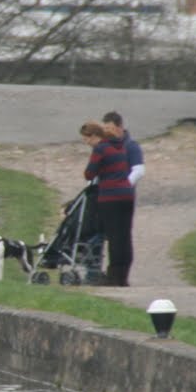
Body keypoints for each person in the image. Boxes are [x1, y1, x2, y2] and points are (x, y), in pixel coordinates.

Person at [82, 119, 135, 287]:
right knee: (125, 236)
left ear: (95, 136)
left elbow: (89, 174)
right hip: (127, 195)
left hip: (110, 197)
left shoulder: (101, 148)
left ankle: (113, 278)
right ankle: (123, 276)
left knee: (113, 237)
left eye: (87, 139)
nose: (87, 143)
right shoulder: (120, 146)